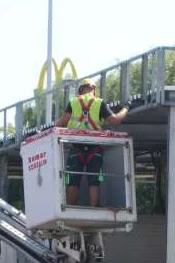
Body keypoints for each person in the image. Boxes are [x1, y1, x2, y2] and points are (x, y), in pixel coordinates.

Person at [55, 78, 132, 208]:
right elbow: (115, 121)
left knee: (73, 180)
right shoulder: (99, 103)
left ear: (81, 90)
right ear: (94, 89)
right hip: (95, 148)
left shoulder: (73, 102)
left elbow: (60, 123)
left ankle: (69, 209)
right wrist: (126, 108)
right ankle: (93, 208)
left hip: (76, 146)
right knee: (94, 180)